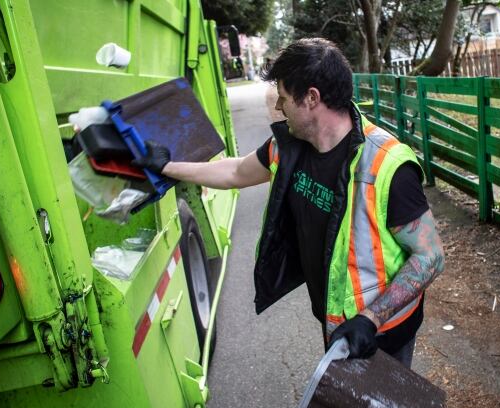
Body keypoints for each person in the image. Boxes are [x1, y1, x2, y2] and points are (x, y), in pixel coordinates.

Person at [135, 38, 444, 367]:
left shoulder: (386, 164)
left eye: (283, 98)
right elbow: (236, 171)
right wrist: (168, 167)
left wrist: (371, 318)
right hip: (336, 323)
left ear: (312, 98)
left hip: (381, 335)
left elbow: (430, 257)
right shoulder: (290, 146)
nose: (279, 107)